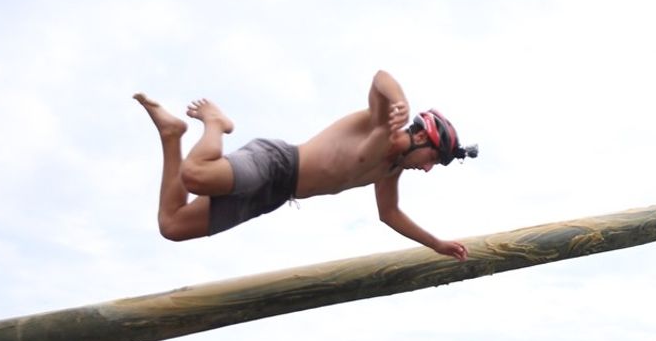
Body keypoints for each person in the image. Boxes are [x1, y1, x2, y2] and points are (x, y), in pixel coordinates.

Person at [135, 69, 477, 259]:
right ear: (421, 137)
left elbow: (389, 214)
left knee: (173, 225)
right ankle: (215, 123)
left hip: (276, 195)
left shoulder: (391, 170)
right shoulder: (381, 127)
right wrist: (400, 100)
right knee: (195, 175)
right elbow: (379, 78)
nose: (428, 168)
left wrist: (436, 244)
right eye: (433, 158)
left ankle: (171, 135)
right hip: (276, 164)